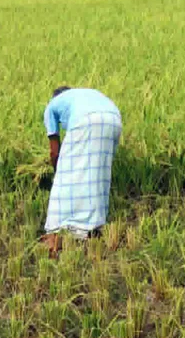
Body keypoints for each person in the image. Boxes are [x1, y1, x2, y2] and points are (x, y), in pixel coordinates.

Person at [39, 86, 123, 257]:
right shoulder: (84, 96)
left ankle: (55, 232)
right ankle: (91, 228)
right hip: (114, 119)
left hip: (86, 122)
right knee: (96, 176)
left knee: (65, 179)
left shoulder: (52, 105)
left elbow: (54, 151)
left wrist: (58, 171)